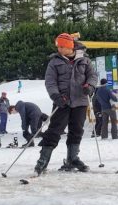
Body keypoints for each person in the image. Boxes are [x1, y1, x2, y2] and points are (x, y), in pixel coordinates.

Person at [34, 32, 97, 175]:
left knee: (77, 130)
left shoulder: (84, 60)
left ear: (70, 46)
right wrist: (55, 96)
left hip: (80, 101)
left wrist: (90, 86)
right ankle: (43, 160)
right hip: (62, 102)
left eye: (62, 46)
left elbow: (93, 76)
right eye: (58, 46)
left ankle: (72, 159)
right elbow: (50, 81)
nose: (59, 49)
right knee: (54, 131)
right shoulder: (54, 62)